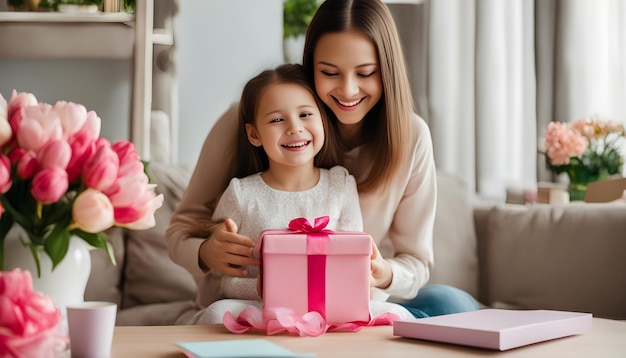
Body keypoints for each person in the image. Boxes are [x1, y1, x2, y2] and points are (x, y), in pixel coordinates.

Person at [166, 0, 479, 323]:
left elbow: (416, 262)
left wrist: (383, 272)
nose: (348, 90)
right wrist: (206, 253)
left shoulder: (410, 136)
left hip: (350, 306)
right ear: (309, 66)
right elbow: (180, 231)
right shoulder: (253, 120)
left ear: (387, 71)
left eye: (366, 73)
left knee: (450, 302)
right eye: (329, 73)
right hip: (251, 305)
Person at [209, 63, 363, 303]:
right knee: (218, 312)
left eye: (305, 114)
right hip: (258, 309)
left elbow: (354, 262)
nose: (295, 128)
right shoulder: (241, 194)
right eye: (277, 119)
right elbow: (224, 279)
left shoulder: (340, 186)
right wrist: (262, 289)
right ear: (254, 134)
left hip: (325, 305)